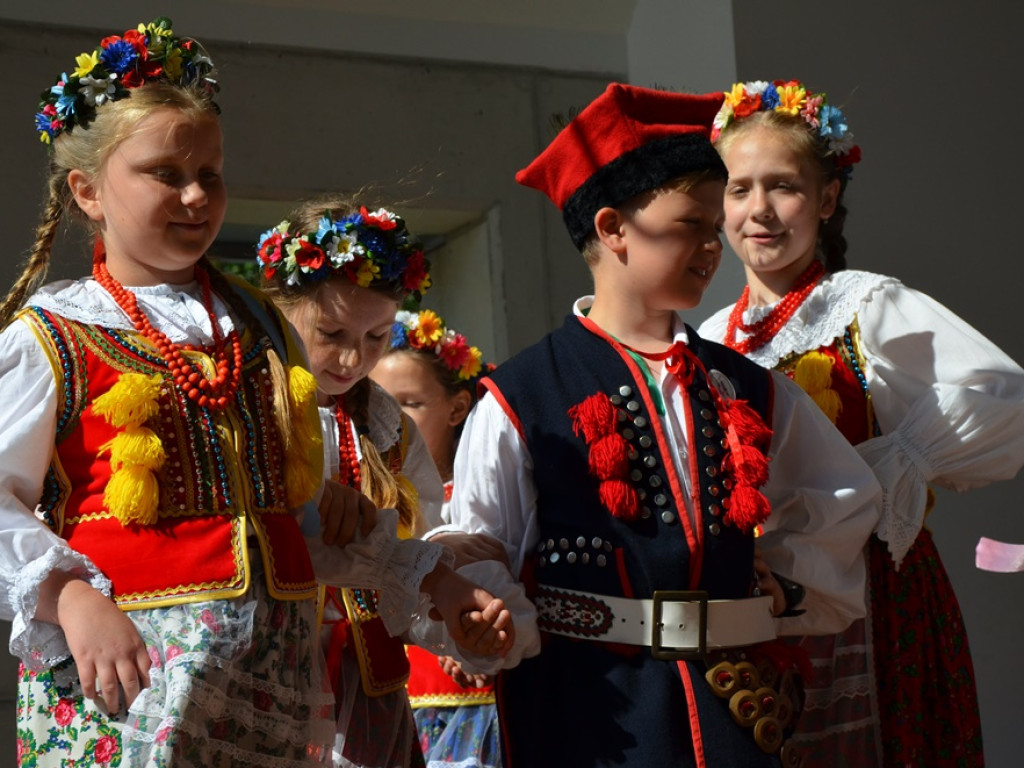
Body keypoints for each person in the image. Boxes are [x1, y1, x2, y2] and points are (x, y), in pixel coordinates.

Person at [1, 20, 510, 766]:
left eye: (210, 173)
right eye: (164, 173)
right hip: (126, 677)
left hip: (272, 680)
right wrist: (72, 599)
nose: (195, 194)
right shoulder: (52, 335)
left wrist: (434, 579)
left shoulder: (260, 328)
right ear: (87, 191)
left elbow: (294, 516)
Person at [436, 82, 881, 767]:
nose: (712, 246)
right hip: (592, 720)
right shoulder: (523, 395)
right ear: (614, 228)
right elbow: (481, 544)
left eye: (714, 228)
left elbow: (844, 500)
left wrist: (788, 586)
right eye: (691, 224)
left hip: (734, 712)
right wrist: (482, 614)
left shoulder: (747, 385)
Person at [699, 79, 1024, 767]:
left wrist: (896, 463)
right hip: (758, 610)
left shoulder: (863, 307)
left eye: (783, 186)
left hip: (876, 600)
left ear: (826, 199)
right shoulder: (710, 338)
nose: (759, 210)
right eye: (738, 189)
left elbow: (1002, 395)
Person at [257, 201, 519, 767]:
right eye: (331, 333)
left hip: (363, 691)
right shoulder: (249, 408)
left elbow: (407, 561)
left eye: (377, 336)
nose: (354, 357)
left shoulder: (387, 430)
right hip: (260, 678)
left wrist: (455, 617)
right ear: (279, 309)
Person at [372, 309, 503, 768]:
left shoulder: (481, 495)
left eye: (408, 403)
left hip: (477, 704)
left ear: (457, 408)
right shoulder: (366, 499)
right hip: (391, 701)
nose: (389, 420)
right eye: (376, 403)